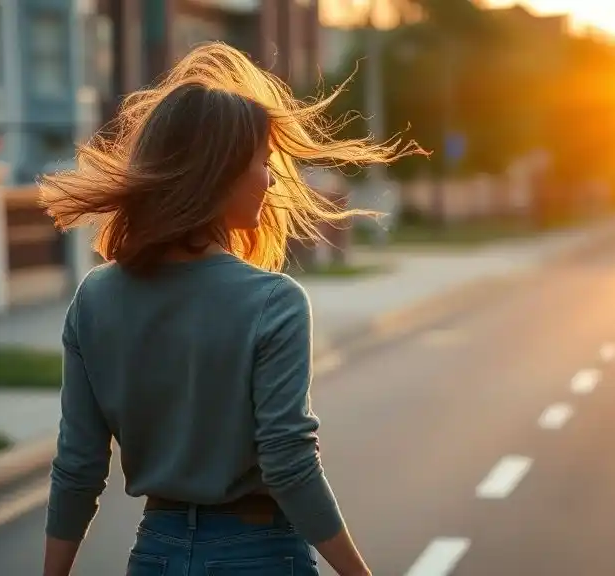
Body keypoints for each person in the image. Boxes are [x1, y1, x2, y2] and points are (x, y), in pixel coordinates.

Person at [37, 42, 422, 576]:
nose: (271, 179)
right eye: (262, 162)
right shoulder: (274, 301)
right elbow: (288, 465)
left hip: (156, 556)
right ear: (218, 173)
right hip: (259, 555)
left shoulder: (95, 299)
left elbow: (78, 468)